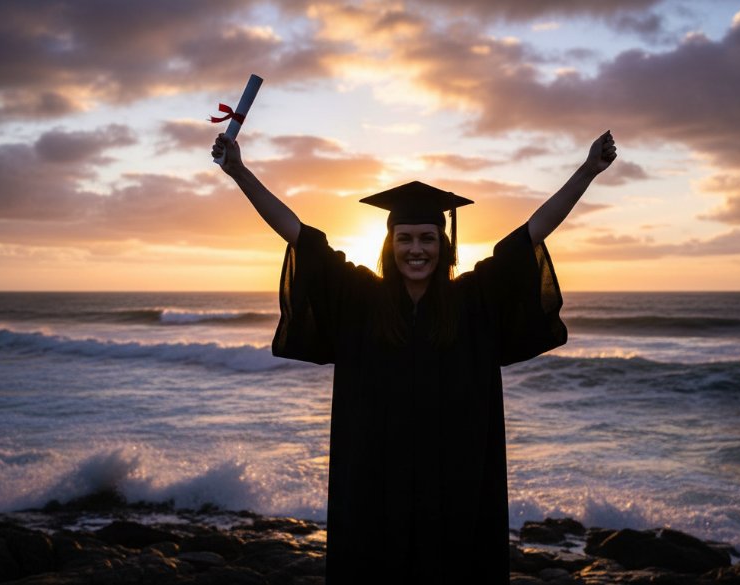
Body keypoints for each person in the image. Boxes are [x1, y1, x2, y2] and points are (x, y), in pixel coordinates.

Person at [211, 131, 616, 584]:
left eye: (427, 237)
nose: (416, 249)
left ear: (443, 244)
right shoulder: (360, 298)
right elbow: (299, 235)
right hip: (374, 477)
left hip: (456, 478)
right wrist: (239, 172)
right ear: (390, 244)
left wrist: (586, 172)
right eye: (405, 238)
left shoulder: (473, 299)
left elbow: (530, 234)